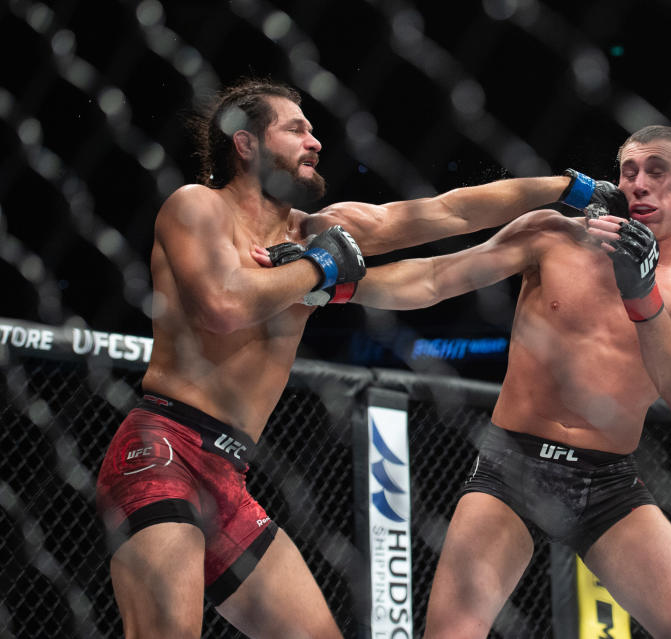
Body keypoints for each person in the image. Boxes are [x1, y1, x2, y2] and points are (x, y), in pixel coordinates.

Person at [93, 77, 620, 639]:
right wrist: (319, 268)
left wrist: (570, 188)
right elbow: (222, 306)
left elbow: (446, 213)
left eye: (313, 130)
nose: (315, 141)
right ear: (245, 143)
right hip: (164, 450)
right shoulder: (197, 207)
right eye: (296, 129)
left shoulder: (317, 230)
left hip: (230, 474)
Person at [344, 125, 671, 638]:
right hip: (512, 465)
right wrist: (330, 284)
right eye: (629, 171)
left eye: (658, 172)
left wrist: (642, 294)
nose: (640, 185)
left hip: (607, 482)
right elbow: (436, 278)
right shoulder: (554, 235)